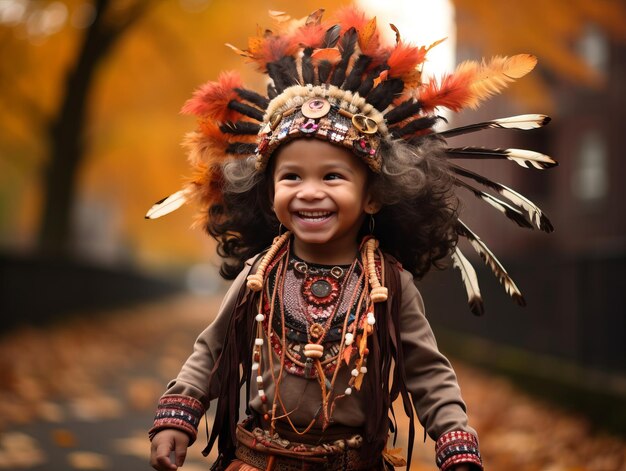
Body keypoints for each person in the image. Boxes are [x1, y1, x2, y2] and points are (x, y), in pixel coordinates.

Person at [146, 6, 556, 471]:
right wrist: (177, 417)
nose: (311, 192)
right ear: (268, 190)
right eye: (292, 177)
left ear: (375, 196)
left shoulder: (388, 284)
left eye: (334, 176)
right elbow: (213, 351)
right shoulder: (260, 276)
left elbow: (426, 372)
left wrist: (454, 439)